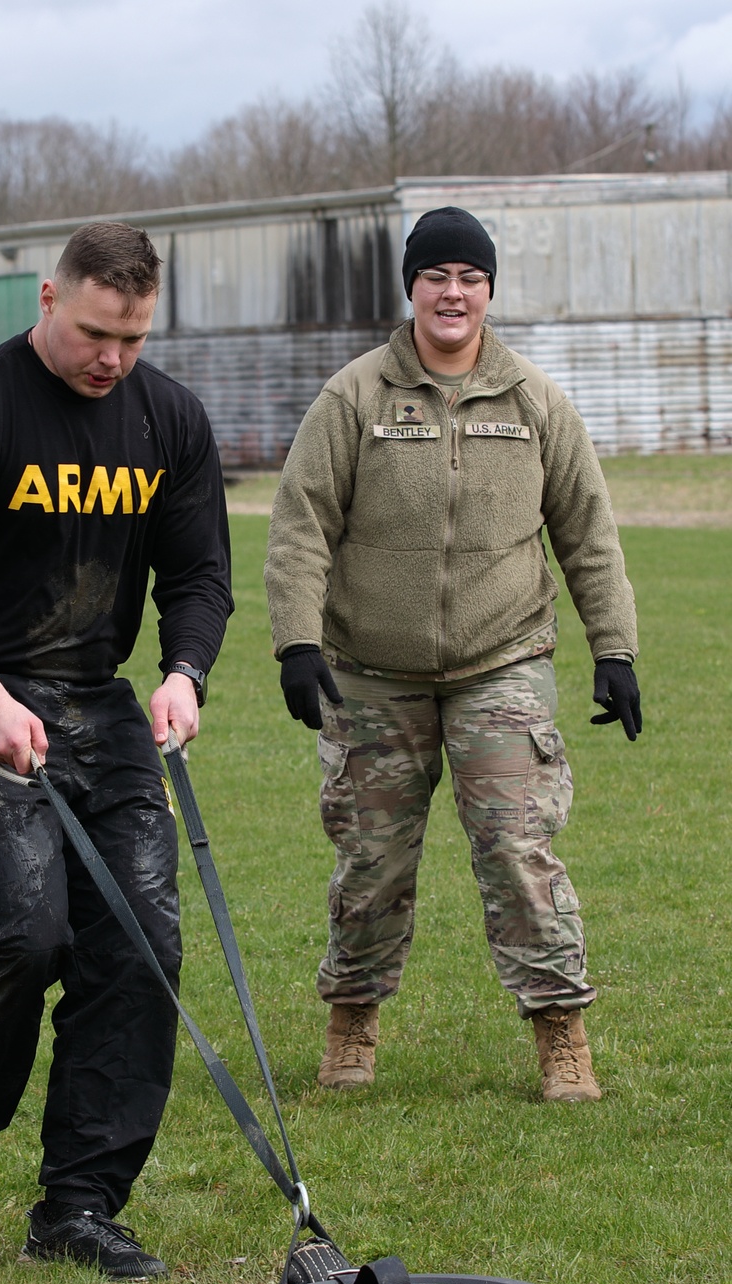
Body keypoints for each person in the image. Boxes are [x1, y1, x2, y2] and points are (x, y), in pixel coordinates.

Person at [0, 221, 232, 1280]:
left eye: (131, 338)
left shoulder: (169, 420)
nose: (110, 359)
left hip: (101, 709)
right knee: (22, 938)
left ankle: (78, 1206)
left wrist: (184, 672)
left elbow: (199, 573)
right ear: (46, 298)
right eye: (91, 333)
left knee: (141, 948)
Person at [264, 206, 640, 1103]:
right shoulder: (355, 397)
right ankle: (351, 1022)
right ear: (412, 287)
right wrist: (297, 642)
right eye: (437, 275)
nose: (454, 293)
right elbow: (300, 526)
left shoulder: (535, 401)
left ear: (489, 291)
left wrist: (614, 650)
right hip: (372, 673)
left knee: (518, 847)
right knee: (371, 858)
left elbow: (589, 535)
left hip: (500, 662)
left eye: (471, 277)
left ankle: (561, 1034)